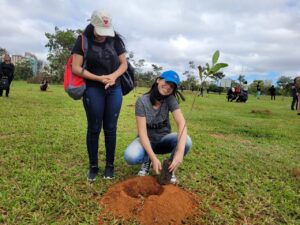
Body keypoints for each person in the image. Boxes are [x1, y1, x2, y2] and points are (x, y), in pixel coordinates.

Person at [71, 10, 128, 181]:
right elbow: (76, 67)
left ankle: (110, 166)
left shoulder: (115, 39)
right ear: (93, 25)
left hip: (114, 88)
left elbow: (124, 64)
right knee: (94, 127)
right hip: (93, 88)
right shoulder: (82, 40)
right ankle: (93, 166)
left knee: (111, 128)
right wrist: (98, 78)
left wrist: (113, 76)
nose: (104, 36)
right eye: (100, 32)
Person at [124, 70, 192, 184]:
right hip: (146, 140)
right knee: (130, 156)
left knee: (187, 141)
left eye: (172, 86)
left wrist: (180, 152)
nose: (168, 87)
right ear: (158, 80)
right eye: (167, 82)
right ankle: (147, 161)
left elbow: (182, 123)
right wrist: (153, 157)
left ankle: (169, 168)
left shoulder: (170, 99)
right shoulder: (142, 101)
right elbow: (142, 132)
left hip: (163, 140)